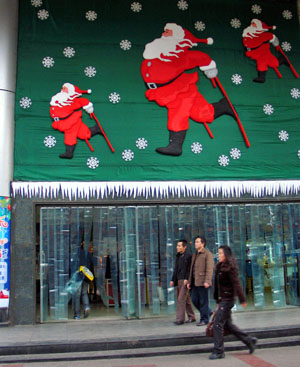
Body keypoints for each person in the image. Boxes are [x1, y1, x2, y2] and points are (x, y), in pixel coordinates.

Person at [141, 23, 238, 156]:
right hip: (165, 89)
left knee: (178, 112)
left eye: (167, 32)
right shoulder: (159, 52)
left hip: (178, 89)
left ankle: (175, 145)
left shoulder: (179, 55)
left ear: (176, 37)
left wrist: (210, 68)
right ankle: (224, 106)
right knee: (201, 114)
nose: (163, 34)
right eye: (164, 32)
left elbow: (199, 57)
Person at [209, 245, 257, 360]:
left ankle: (219, 351)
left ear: (226, 255)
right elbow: (217, 286)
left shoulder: (229, 267)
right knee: (228, 325)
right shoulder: (220, 266)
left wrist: (242, 299)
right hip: (222, 299)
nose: (218, 255)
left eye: (220, 253)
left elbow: (237, 283)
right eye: (218, 253)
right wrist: (217, 300)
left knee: (217, 323)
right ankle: (249, 341)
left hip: (228, 299)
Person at [49, 82, 102, 159]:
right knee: (83, 134)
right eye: (62, 88)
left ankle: (69, 153)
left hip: (69, 122)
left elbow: (81, 101)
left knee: (70, 135)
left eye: (65, 89)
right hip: (63, 122)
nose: (62, 90)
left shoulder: (70, 101)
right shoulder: (58, 100)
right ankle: (97, 129)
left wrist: (88, 107)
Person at [242, 19, 286, 83]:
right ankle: (282, 59)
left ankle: (262, 77)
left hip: (262, 52)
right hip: (253, 52)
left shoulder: (265, 35)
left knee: (262, 62)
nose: (252, 25)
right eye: (252, 23)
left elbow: (273, 38)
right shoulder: (248, 33)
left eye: (254, 24)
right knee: (273, 63)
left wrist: (276, 46)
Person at [187, 236, 214, 326]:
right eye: (195, 242)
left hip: (203, 281)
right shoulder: (195, 255)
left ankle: (204, 319)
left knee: (203, 301)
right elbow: (191, 269)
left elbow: (210, 269)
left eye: (198, 242)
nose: (196, 243)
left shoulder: (207, 254)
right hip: (195, 282)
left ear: (203, 243)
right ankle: (208, 311)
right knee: (194, 299)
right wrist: (189, 281)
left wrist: (207, 281)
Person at [170, 239, 196, 325]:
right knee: (186, 299)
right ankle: (192, 316)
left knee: (181, 299)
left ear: (184, 247)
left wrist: (187, 279)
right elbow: (176, 269)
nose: (177, 247)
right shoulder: (178, 256)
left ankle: (180, 319)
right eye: (177, 246)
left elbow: (190, 269)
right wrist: (173, 280)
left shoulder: (189, 256)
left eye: (179, 246)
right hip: (179, 280)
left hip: (185, 281)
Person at [73, 240, 93, 319]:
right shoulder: (88, 254)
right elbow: (92, 263)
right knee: (84, 293)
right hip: (86, 275)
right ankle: (86, 307)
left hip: (78, 275)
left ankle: (77, 314)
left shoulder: (76, 254)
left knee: (77, 295)